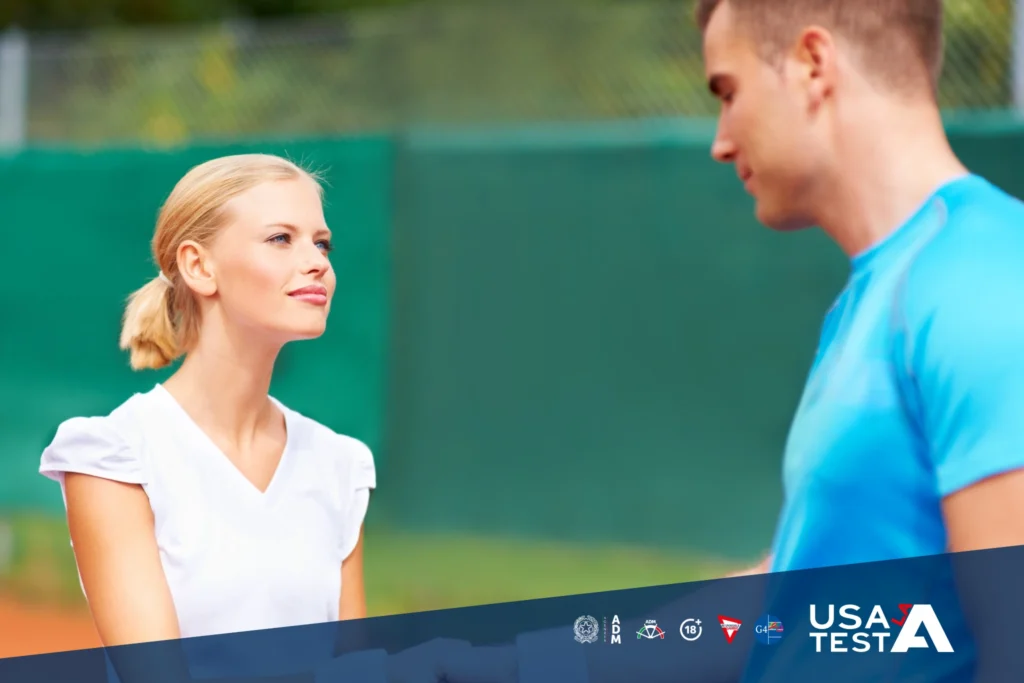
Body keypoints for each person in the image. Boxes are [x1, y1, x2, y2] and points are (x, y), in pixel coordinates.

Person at [418, 0, 1024, 681]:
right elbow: (794, 606)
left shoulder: (986, 281)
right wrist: (505, 665)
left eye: (729, 93)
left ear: (812, 64)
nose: (721, 139)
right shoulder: (878, 297)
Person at [38, 154, 378, 682]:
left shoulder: (341, 464)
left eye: (321, 242)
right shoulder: (113, 456)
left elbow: (358, 672)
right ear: (198, 266)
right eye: (281, 239)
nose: (317, 262)